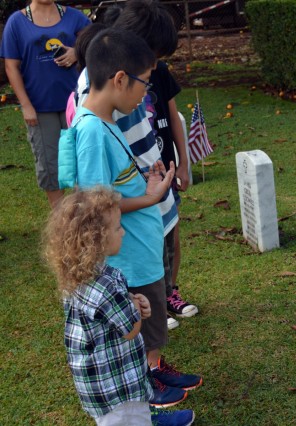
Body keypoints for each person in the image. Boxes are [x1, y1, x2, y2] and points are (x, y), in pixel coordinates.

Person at [68, 27, 202, 408]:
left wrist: (146, 181)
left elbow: (116, 183)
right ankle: (145, 390)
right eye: (144, 83)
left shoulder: (109, 120)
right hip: (128, 259)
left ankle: (152, 370)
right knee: (139, 326)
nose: (148, 93)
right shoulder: (92, 130)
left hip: (142, 250)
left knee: (153, 320)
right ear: (120, 79)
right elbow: (98, 204)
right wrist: (151, 196)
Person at [42, 187, 195, 425]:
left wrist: (132, 302)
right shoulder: (106, 285)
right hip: (118, 386)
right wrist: (137, 309)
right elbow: (131, 329)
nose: (123, 232)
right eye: (117, 228)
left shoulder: (77, 277)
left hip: (96, 384)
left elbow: (109, 316)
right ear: (96, 239)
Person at [113, 0, 199, 327]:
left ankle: (169, 293)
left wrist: (184, 163)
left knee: (170, 233)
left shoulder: (159, 72)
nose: (156, 63)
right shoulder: (114, 83)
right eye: (154, 55)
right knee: (148, 244)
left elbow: (175, 117)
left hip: (164, 171)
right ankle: (151, 305)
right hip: (138, 183)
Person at [0, 0, 89, 207]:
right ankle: (60, 221)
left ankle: (83, 217)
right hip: (40, 107)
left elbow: (97, 40)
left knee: (83, 160)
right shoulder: (17, 22)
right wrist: (26, 104)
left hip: (76, 104)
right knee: (50, 166)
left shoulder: (73, 17)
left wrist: (77, 52)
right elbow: (11, 67)